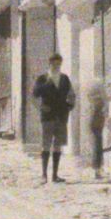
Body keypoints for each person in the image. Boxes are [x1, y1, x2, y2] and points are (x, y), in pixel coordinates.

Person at [32, 53, 74, 184]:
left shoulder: (64, 78)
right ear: (49, 64)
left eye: (59, 64)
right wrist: (41, 107)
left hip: (61, 116)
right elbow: (33, 96)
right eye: (54, 64)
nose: (56, 67)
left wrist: (70, 106)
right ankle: (44, 175)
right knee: (46, 144)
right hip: (48, 116)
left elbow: (72, 94)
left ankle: (55, 175)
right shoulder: (42, 79)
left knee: (58, 145)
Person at [86, 81, 110, 179]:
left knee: (96, 145)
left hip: (93, 121)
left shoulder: (92, 99)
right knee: (97, 145)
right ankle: (97, 170)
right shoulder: (99, 101)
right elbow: (105, 102)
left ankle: (96, 169)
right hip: (97, 122)